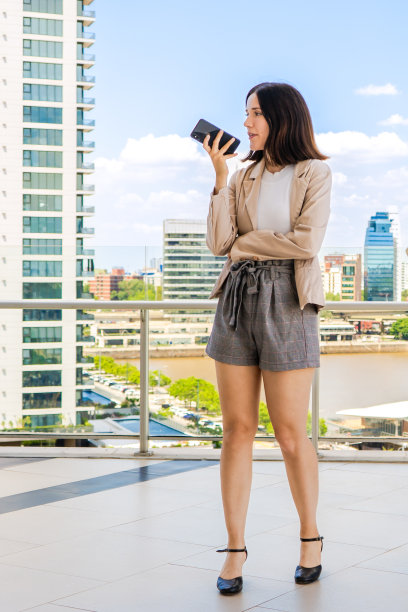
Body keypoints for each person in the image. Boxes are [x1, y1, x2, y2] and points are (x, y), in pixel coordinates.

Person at [202, 82, 332, 595]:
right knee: (236, 430)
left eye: (256, 114)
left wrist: (245, 245)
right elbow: (219, 244)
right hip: (237, 299)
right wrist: (218, 180)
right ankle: (234, 548)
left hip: (289, 301)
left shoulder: (314, 173)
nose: (248, 123)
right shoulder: (241, 175)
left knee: (290, 434)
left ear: (283, 118)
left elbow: (306, 241)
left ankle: (310, 538)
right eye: (246, 113)